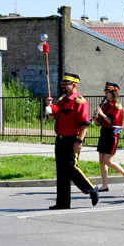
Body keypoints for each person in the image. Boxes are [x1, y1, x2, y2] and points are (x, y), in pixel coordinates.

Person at [46, 72, 99, 209]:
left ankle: (91, 188)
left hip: (72, 140)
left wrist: (79, 142)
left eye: (66, 84)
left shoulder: (79, 101)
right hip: (61, 139)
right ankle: (62, 203)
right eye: (63, 84)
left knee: (71, 168)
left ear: (74, 85)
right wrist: (49, 107)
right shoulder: (63, 100)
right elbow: (53, 116)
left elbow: (84, 124)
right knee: (61, 172)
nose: (63, 86)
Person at [94, 82, 124, 192]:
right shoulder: (105, 105)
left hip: (112, 133)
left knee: (108, 161)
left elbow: (114, 123)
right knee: (101, 160)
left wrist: (103, 115)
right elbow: (100, 122)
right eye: (105, 92)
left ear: (113, 93)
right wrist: (96, 117)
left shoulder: (117, 106)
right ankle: (105, 185)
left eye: (107, 92)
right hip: (104, 132)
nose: (105, 94)